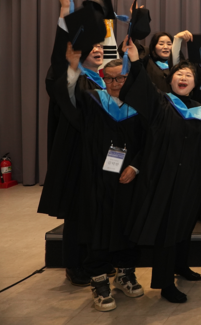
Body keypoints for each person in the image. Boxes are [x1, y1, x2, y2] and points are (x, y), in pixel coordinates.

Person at [120, 38, 201, 303]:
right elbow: (142, 86)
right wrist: (135, 59)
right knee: (167, 229)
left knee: (185, 223)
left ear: (195, 83)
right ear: (170, 80)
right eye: (179, 74)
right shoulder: (160, 103)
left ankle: (181, 266)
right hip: (164, 177)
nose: (183, 78)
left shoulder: (198, 110)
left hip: (191, 178)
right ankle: (164, 283)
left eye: (189, 76)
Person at [56, 49, 146, 310]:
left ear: (129, 79)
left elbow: (150, 140)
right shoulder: (92, 100)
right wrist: (73, 69)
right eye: (110, 78)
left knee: (128, 224)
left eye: (121, 78)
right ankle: (98, 281)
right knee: (97, 226)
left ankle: (125, 273)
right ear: (103, 79)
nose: (115, 83)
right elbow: (67, 98)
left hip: (128, 178)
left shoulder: (140, 106)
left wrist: (136, 167)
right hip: (96, 176)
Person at [39, 0, 106, 287]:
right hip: (78, 157)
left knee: (96, 213)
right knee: (78, 215)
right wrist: (65, 11)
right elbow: (60, 64)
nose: (98, 50)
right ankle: (74, 266)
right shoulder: (72, 79)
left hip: (100, 158)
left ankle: (94, 261)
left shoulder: (104, 81)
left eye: (100, 47)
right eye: (92, 48)